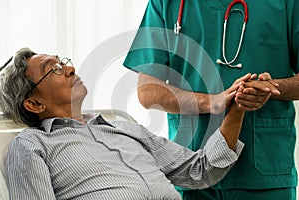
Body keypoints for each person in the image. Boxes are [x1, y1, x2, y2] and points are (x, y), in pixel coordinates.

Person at [0, 48, 264, 199]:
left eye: (63, 62)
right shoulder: (31, 145)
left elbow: (201, 171)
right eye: (53, 69)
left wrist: (238, 107)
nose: (70, 69)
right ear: (34, 104)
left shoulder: (124, 128)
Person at [123, 0, 299, 199]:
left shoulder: (286, 3)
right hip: (190, 169)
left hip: (264, 171)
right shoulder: (166, 3)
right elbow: (148, 92)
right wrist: (212, 102)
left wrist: (271, 88)